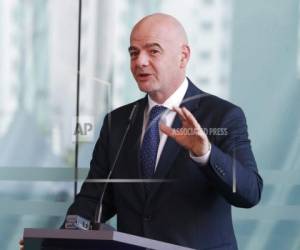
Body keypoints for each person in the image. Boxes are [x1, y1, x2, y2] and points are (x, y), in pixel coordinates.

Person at [64, 13, 263, 250]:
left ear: (183, 56)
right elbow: (93, 201)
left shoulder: (223, 116)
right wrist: (54, 242)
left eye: (153, 51)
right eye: (134, 53)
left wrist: (206, 154)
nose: (140, 62)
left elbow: (249, 193)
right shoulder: (116, 123)